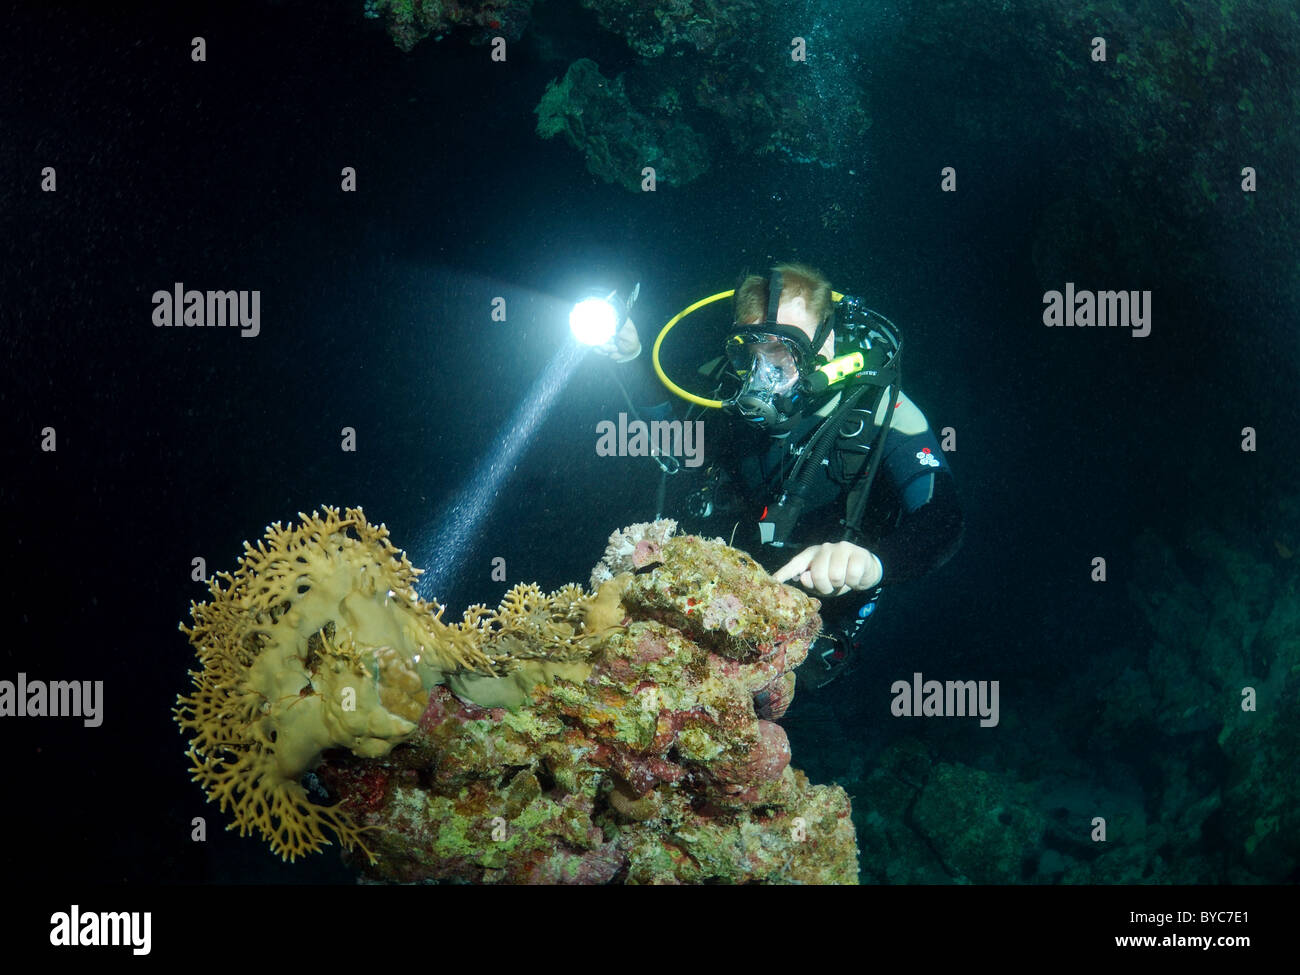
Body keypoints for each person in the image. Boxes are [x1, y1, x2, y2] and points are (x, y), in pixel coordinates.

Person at [596, 262, 963, 691]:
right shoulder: (725, 390)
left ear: (824, 345)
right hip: (716, 600)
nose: (760, 374)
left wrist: (873, 563)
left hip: (820, 620)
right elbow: (672, 441)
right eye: (748, 352)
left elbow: (943, 517)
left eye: (783, 352)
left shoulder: (882, 410)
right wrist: (632, 362)